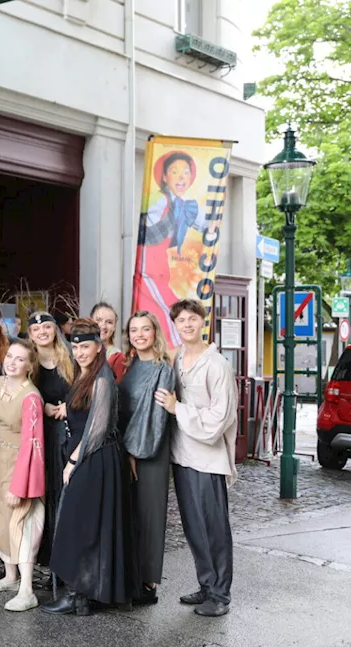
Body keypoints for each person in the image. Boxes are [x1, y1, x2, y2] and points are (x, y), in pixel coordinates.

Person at [43, 319, 131, 616]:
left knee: (77, 525)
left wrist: (71, 463)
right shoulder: (83, 375)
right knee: (83, 525)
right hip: (88, 456)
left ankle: (75, 594)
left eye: (86, 346)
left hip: (96, 458)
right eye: (76, 346)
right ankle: (81, 593)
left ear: (99, 346)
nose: (80, 352)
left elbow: (98, 427)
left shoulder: (102, 379)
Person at [158, 298, 238, 617]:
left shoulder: (217, 364)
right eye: (181, 320)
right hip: (183, 456)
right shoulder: (177, 359)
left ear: (203, 322)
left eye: (193, 319)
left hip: (208, 457)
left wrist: (177, 408)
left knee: (214, 527)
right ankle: (206, 584)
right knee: (193, 526)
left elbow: (220, 418)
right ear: (174, 325)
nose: (187, 325)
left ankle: (220, 594)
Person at [0, 339, 46, 612]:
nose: (12, 362)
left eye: (20, 359)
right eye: (10, 356)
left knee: (23, 522)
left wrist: (21, 486)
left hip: (21, 463)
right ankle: (9, 575)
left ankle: (27, 589)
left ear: (30, 366)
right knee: (0, 519)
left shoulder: (31, 397)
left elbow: (33, 443)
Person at [118, 310, 175, 606]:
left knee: (151, 513)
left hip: (148, 448)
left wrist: (135, 452)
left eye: (145, 329)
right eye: (134, 330)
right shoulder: (130, 366)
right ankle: (134, 574)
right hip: (129, 448)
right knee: (133, 514)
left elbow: (152, 416)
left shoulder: (161, 368)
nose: (139, 334)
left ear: (155, 333)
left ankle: (148, 582)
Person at [137, 153, 214, 344]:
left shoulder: (186, 206)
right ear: (164, 177)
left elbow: (207, 223)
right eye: (174, 171)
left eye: (186, 172)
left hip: (163, 267)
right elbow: (146, 228)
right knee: (170, 313)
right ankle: (179, 353)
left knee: (171, 312)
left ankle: (181, 354)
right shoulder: (161, 199)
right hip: (149, 267)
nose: (181, 177)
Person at [27, 310, 73, 569]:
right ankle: (42, 553)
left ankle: (62, 549)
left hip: (65, 431)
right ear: (31, 334)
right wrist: (41, 406)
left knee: (62, 490)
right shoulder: (30, 361)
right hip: (40, 432)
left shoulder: (69, 358)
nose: (42, 332)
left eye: (46, 327)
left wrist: (69, 405)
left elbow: (81, 387)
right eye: (36, 329)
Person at [91, 301, 127, 382]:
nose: (103, 326)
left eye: (109, 322)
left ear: (114, 327)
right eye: (99, 320)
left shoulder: (117, 357)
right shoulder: (79, 350)